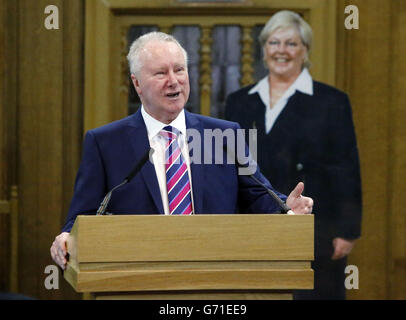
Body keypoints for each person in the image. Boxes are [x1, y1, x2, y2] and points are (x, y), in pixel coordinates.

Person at [50, 32, 313, 270]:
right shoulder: (105, 142)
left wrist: (284, 208)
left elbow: (258, 194)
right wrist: (67, 236)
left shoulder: (223, 135)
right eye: (161, 73)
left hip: (216, 272)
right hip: (137, 274)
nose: (174, 81)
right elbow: (83, 216)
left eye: (179, 70)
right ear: (137, 83)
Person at [225, 11, 362, 300]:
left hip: (317, 230)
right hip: (254, 229)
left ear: (305, 50)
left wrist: (347, 231)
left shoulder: (331, 101)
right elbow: (229, 168)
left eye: (291, 43)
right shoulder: (239, 102)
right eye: (274, 42)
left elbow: (346, 168)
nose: (281, 51)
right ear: (264, 49)